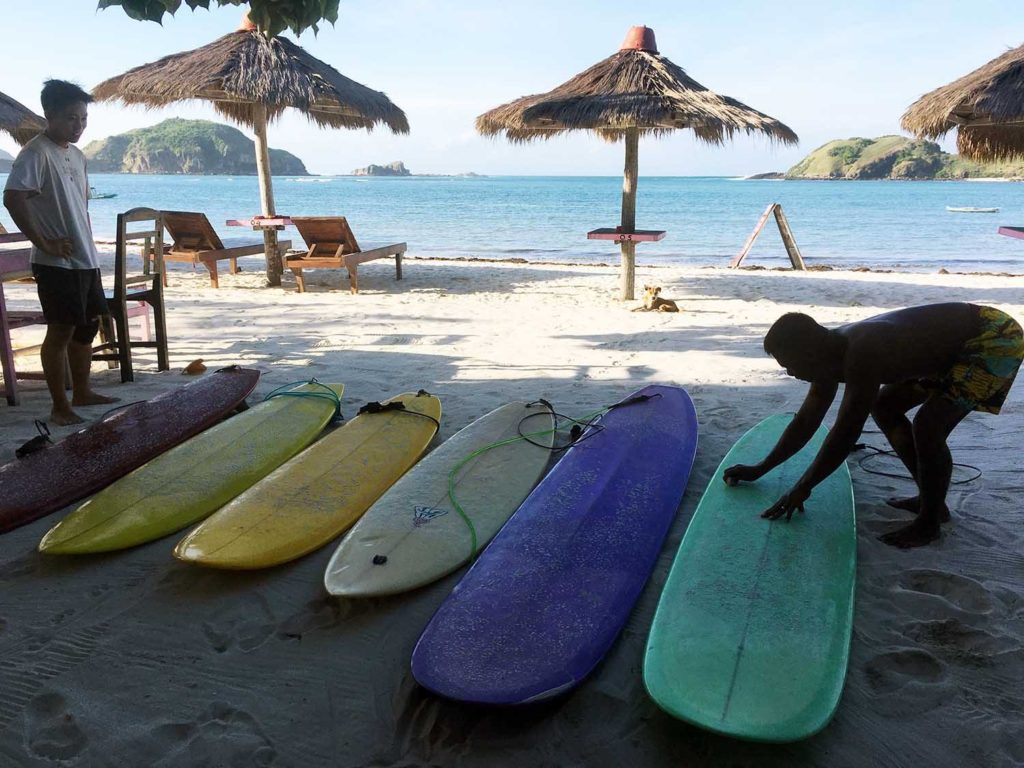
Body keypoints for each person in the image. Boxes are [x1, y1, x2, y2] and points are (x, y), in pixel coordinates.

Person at [722, 303, 1024, 549]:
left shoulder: (863, 352)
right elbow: (806, 421)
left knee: (928, 426)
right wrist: (760, 468)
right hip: (949, 349)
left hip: (993, 336)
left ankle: (929, 522)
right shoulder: (827, 357)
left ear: (810, 352)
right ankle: (929, 499)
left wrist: (804, 487)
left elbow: (846, 430)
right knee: (885, 406)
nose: (790, 372)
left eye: (790, 364)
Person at [3, 79, 117, 425]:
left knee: (87, 326)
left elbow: (77, 206)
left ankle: (82, 391)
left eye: (83, 118)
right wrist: (43, 242)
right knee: (61, 330)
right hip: (56, 262)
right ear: (49, 114)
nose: (78, 125)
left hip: (85, 258)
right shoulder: (36, 152)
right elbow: (12, 197)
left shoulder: (77, 155)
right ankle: (59, 406)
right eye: (71, 118)